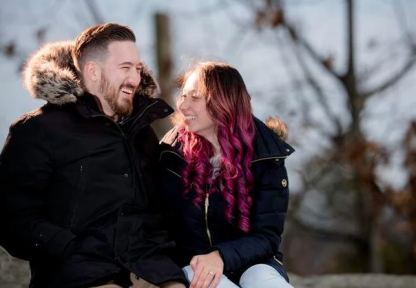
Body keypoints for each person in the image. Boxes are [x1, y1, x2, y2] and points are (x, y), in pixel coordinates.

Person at [0, 23, 187, 288]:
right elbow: (12, 218)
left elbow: (163, 208)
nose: (135, 78)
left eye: (136, 68)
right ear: (93, 71)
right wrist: (68, 249)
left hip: (151, 268)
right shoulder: (38, 130)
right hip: (79, 273)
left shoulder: (141, 131)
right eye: (124, 68)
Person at [159, 62, 295, 288]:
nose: (183, 105)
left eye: (195, 97)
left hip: (253, 263)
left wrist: (221, 256)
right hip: (191, 266)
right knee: (207, 278)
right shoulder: (171, 154)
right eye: (183, 96)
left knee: (263, 278)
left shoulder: (267, 156)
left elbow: (267, 237)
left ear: (224, 102)